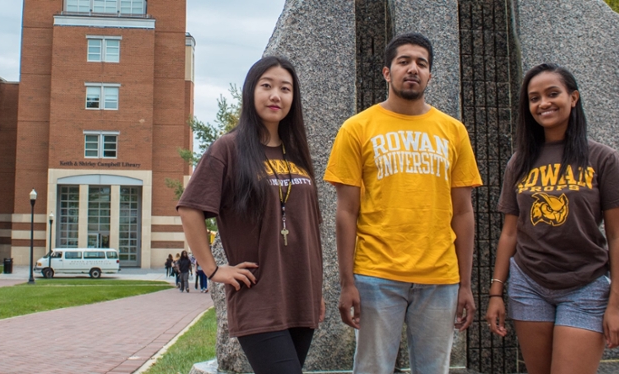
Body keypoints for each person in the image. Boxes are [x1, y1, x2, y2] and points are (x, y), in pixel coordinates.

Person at [324, 32, 482, 374]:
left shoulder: (453, 131)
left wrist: (466, 284)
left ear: (430, 75)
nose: (413, 69)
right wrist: (347, 282)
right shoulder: (357, 129)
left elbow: (464, 212)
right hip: (376, 275)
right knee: (372, 369)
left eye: (421, 64)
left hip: (441, 278)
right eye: (404, 61)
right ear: (386, 72)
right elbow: (346, 212)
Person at [484, 63, 619, 374]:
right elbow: (510, 233)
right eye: (534, 98)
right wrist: (496, 293)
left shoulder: (602, 158)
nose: (543, 103)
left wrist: (617, 305)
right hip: (529, 285)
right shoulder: (520, 161)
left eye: (552, 94)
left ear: (574, 98)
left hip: (585, 285)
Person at [177, 56, 324, 374]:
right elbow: (190, 208)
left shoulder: (296, 153)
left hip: (302, 296)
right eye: (267, 86)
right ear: (250, 91)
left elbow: (310, 227)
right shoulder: (228, 149)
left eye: (285, 89)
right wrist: (214, 270)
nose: (276, 95)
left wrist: (317, 291)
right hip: (259, 298)